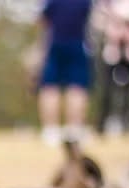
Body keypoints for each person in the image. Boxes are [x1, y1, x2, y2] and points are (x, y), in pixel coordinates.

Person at [37, 0, 95, 145]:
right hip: (78, 44)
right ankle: (74, 130)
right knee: (77, 87)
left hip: (55, 43)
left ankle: (51, 131)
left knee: (50, 87)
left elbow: (42, 19)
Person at [94, 0, 129, 135]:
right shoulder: (107, 4)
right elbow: (98, 21)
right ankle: (102, 123)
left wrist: (124, 19)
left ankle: (127, 123)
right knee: (107, 88)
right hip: (112, 51)